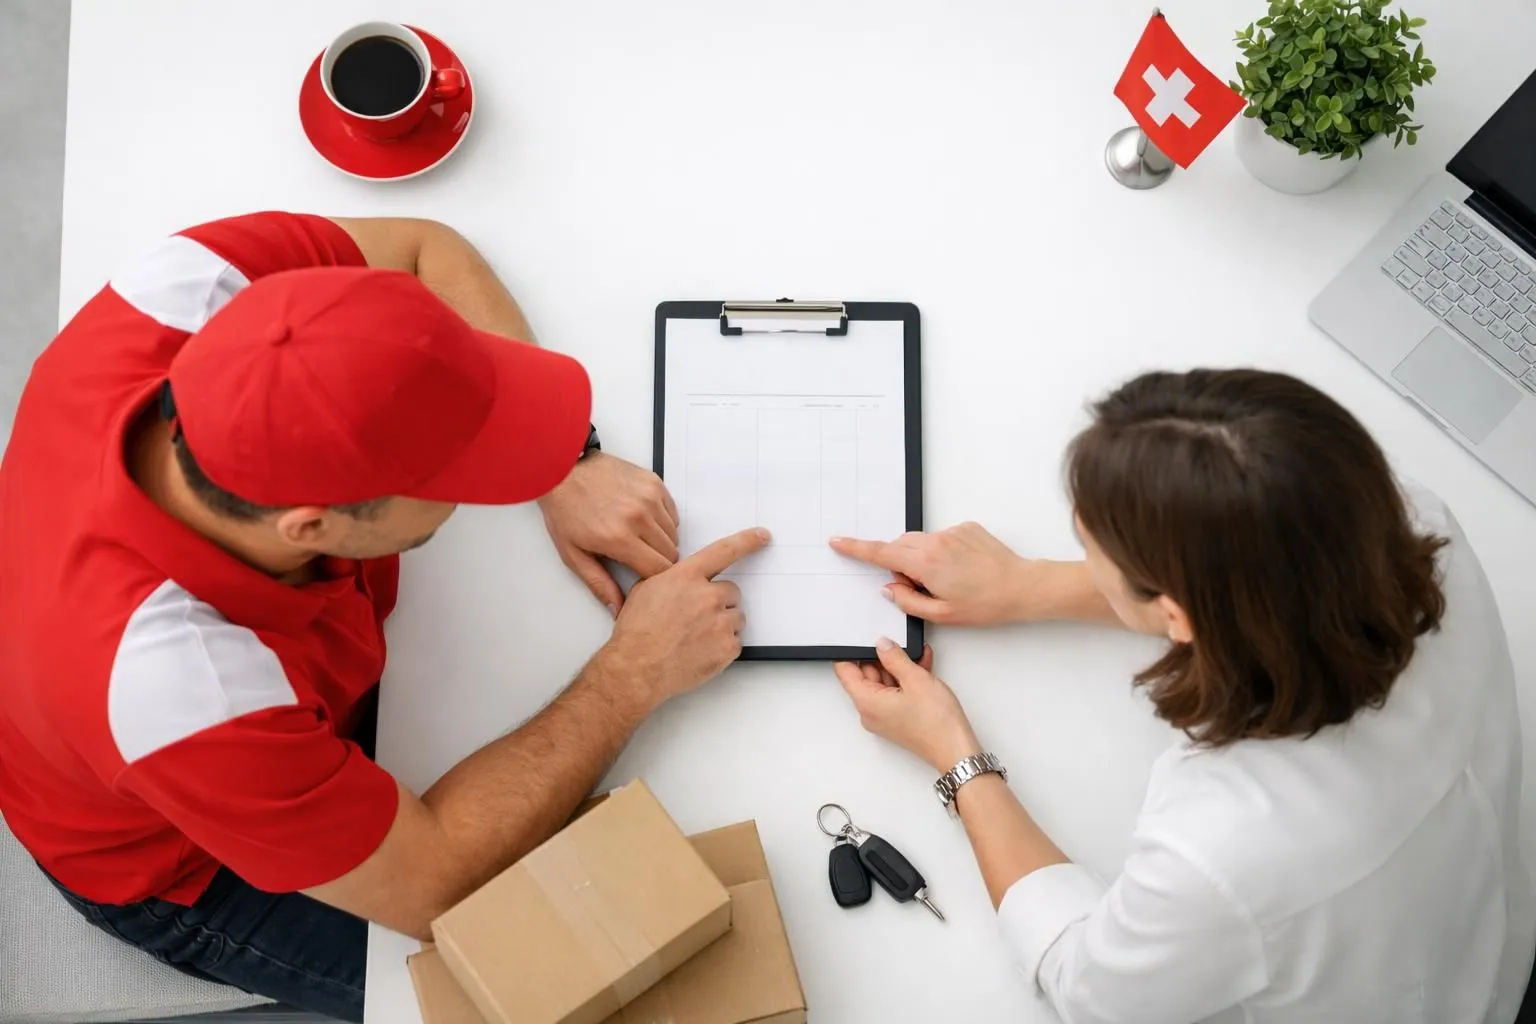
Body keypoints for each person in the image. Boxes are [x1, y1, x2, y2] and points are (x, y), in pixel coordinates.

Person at [0, 212, 766, 1022]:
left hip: (265, 716)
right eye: (454, 474)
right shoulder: (182, 687)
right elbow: (437, 877)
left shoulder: (189, 292)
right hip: (190, 868)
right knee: (566, 974)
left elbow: (422, 249)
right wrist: (630, 675)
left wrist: (565, 461)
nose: (481, 483)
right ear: (311, 526)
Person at [829, 369, 1534, 1023]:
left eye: (1091, 544)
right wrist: (1029, 585)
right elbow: (1264, 582)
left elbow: (1086, 984)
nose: (1083, 552)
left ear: (1179, 615)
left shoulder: (1225, 852)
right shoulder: (1403, 520)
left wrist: (953, 753)